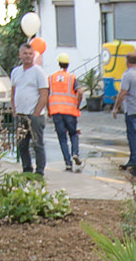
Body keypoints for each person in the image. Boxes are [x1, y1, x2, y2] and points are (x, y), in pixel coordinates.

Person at [10, 43, 49, 175]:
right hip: (20, 114)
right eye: (25, 53)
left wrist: (36, 113)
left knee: (37, 144)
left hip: (34, 115)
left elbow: (44, 94)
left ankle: (39, 172)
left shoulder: (39, 72)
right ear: (19, 55)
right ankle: (27, 170)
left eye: (30, 54)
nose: (28, 56)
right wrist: (14, 110)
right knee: (22, 145)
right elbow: (13, 92)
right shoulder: (15, 72)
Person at [47, 52, 82, 171]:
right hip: (70, 111)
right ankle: (75, 153)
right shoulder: (71, 78)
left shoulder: (51, 78)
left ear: (59, 63)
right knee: (73, 133)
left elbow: (46, 94)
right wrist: (77, 105)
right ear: (68, 64)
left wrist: (48, 110)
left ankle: (68, 163)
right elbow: (80, 91)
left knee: (62, 138)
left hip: (56, 111)